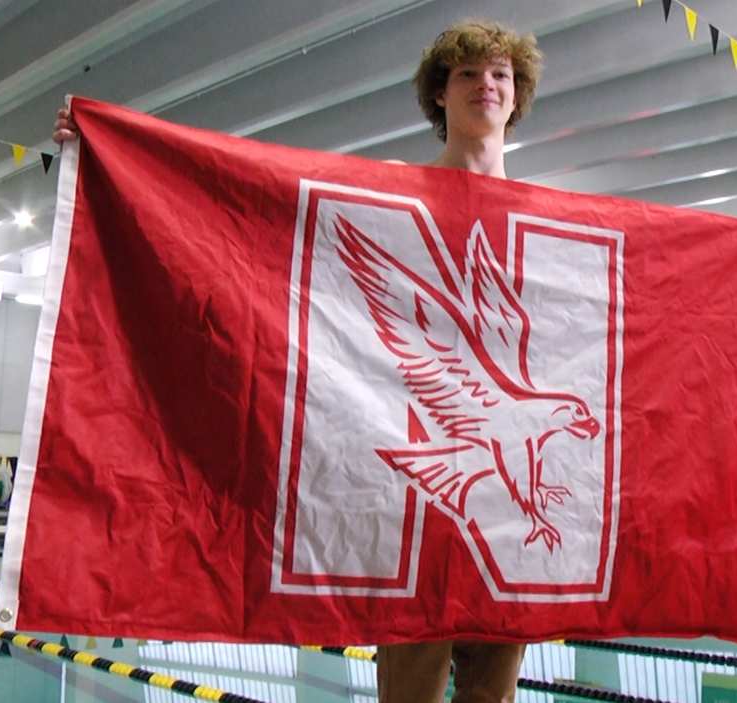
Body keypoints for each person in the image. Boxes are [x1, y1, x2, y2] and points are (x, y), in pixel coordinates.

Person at [58, 18, 545, 703]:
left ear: (517, 94)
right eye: (467, 73)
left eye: (500, 74)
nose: (485, 85)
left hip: (501, 503)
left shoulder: (551, 215)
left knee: (493, 696)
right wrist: (108, 152)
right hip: (409, 494)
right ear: (440, 95)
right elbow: (263, 198)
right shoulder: (390, 190)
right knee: (408, 692)